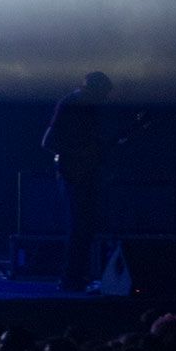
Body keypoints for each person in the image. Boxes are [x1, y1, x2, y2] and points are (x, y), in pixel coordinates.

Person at [42, 70, 113, 292]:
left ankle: (77, 277)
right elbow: (48, 141)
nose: (104, 99)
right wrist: (80, 154)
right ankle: (71, 278)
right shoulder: (71, 104)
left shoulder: (86, 107)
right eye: (103, 93)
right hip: (73, 173)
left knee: (85, 227)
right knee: (79, 226)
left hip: (83, 172)